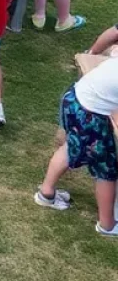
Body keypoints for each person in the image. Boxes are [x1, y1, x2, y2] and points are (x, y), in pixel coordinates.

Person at [34, 49, 118, 236]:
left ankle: (46, 193)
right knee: (106, 169)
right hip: (90, 115)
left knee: (70, 146)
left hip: (74, 98)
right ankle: (107, 225)